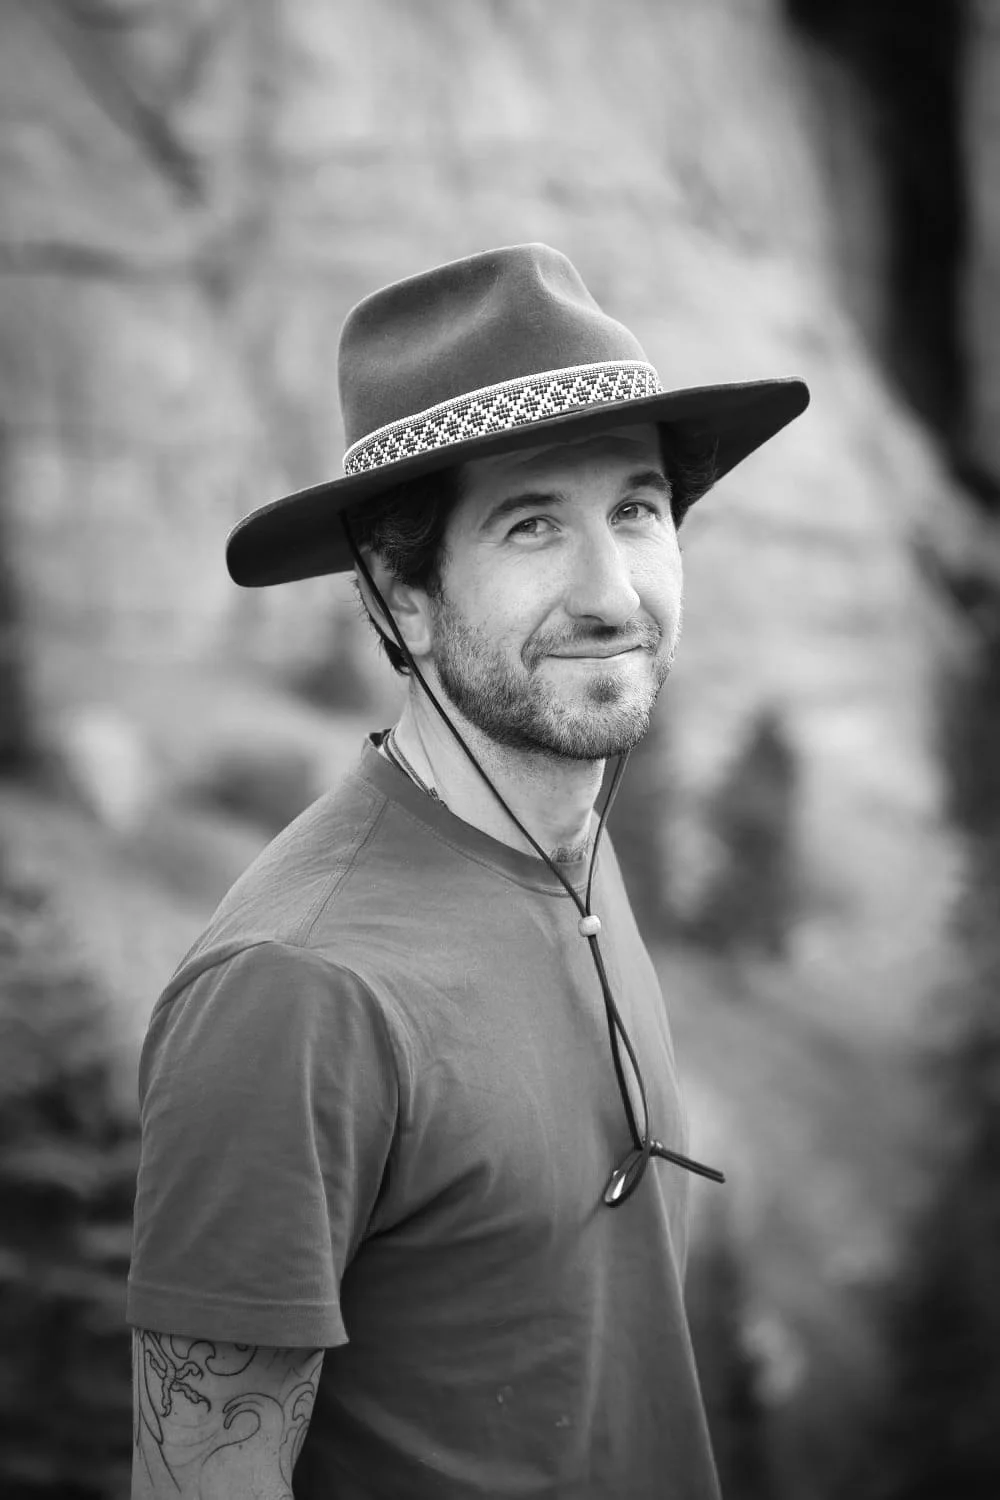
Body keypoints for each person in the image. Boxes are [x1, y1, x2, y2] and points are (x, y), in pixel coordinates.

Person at [126, 243, 808, 1500]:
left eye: (638, 508)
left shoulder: (569, 852)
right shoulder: (298, 991)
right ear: (405, 595)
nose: (612, 591)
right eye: (533, 524)